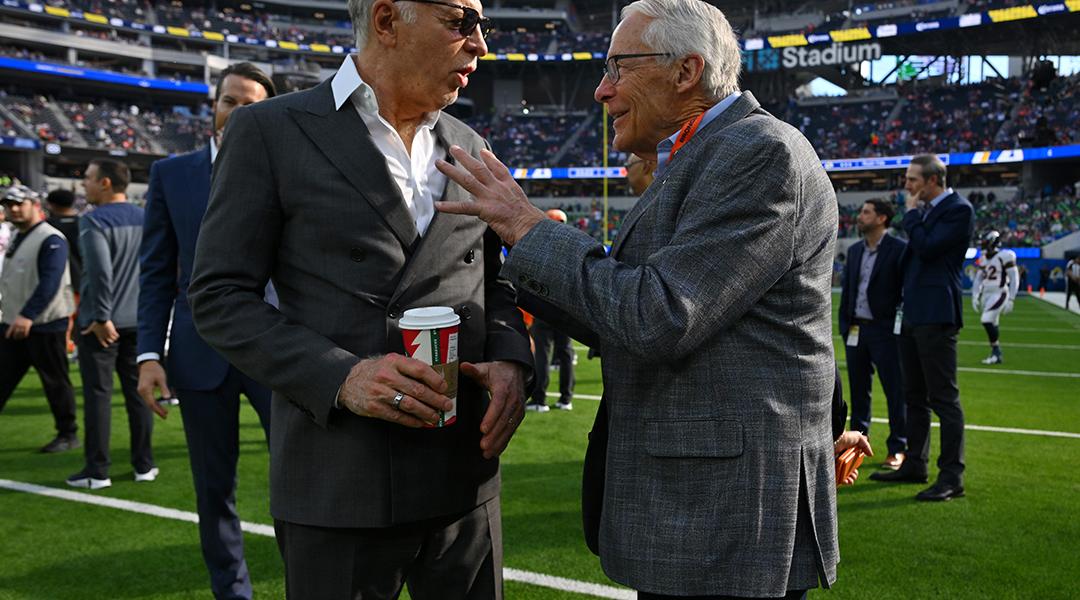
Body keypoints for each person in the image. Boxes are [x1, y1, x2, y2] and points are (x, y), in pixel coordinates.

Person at [436, 0, 840, 596]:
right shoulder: (701, 155)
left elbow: (658, 316)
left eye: (618, 67)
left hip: (726, 517)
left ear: (686, 72)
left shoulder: (758, 151)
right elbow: (615, 315)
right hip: (704, 508)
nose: (602, 90)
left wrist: (527, 228)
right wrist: (493, 262)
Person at [186, 0, 533, 597]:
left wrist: (509, 357)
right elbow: (219, 296)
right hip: (339, 477)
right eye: (461, 23)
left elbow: (496, 279)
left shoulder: (469, 142)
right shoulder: (270, 129)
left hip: (463, 476)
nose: (480, 45)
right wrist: (342, 377)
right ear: (387, 19)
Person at [136, 62, 276, 600]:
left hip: (277, 349)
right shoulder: (171, 175)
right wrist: (150, 353)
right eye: (229, 101)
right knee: (213, 490)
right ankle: (232, 593)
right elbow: (156, 273)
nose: (238, 112)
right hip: (199, 354)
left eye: (251, 104)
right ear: (213, 108)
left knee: (300, 479)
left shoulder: (286, 168)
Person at [870, 154, 973, 503]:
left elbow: (928, 249)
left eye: (912, 180)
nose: (906, 186)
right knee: (913, 395)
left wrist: (912, 214)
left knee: (944, 398)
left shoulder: (959, 210)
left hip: (937, 312)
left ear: (932, 181)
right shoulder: (927, 214)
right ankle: (915, 463)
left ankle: (952, 476)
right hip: (912, 313)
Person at [65, 159, 155, 490]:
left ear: (104, 183)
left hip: (102, 325)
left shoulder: (92, 221)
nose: (82, 185)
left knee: (98, 396)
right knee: (139, 394)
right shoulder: (147, 217)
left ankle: (97, 470)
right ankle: (144, 464)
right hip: (140, 321)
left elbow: (100, 273)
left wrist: (101, 316)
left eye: (86, 178)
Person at [0, 184, 79, 453]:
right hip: (14, 321)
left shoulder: (51, 238)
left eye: (18, 204)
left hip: (44, 323)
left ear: (35, 205)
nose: (13, 209)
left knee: (55, 381)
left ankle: (68, 434)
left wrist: (27, 315)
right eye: (9, 204)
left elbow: (50, 282)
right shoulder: (18, 235)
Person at [837, 198, 907, 470]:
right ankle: (856, 446)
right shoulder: (854, 251)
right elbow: (849, 291)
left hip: (885, 331)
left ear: (882, 218)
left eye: (866, 212)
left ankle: (897, 447)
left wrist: (896, 328)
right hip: (856, 329)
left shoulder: (899, 249)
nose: (860, 216)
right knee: (857, 392)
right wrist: (845, 325)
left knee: (895, 391)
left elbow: (904, 293)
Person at [526, 208, 576, 412]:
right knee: (565, 354)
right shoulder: (574, 245)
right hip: (566, 308)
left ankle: (539, 399)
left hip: (545, 307)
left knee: (542, 354)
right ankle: (566, 398)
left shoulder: (539, 246)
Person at [971, 230, 1018, 365]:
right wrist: (975, 295)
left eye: (985, 243)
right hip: (987, 293)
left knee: (986, 320)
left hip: (1000, 292)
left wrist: (1012, 299)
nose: (983, 246)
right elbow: (978, 279)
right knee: (993, 323)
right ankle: (996, 355)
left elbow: (1014, 278)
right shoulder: (984, 258)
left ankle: (997, 351)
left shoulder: (1005, 256)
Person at [46, 189, 82, 355]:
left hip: (56, 280)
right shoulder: (84, 223)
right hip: (82, 279)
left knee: (62, 318)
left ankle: (64, 347)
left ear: (51, 204)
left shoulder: (46, 226)